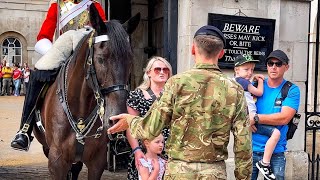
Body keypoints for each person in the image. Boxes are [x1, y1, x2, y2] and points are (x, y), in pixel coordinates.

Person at [108, 25, 252, 179]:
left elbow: (150, 128)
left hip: (180, 171)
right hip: (214, 172)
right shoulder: (234, 89)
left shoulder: (177, 83)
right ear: (221, 53)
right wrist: (243, 177)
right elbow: (243, 141)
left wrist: (130, 120)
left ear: (193, 50)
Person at [10, 0, 106, 151]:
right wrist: (56, 53)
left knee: (110, 79)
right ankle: (24, 131)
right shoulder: (57, 6)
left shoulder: (94, 5)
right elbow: (43, 36)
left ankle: (115, 134)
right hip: (63, 52)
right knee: (37, 76)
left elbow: (104, 33)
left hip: (89, 56)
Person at [250, 50, 300, 180]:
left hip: (276, 151)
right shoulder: (256, 86)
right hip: (251, 148)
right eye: (270, 63)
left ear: (286, 67)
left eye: (278, 64)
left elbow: (284, 118)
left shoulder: (291, 89)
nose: (273, 67)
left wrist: (255, 119)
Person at [126, 56, 172, 180]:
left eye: (165, 70)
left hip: (170, 151)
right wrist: (136, 150)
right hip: (145, 151)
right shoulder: (137, 95)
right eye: (157, 69)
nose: (162, 72)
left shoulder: (173, 95)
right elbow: (130, 126)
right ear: (148, 73)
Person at [234, 54, 279, 180]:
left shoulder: (236, 82)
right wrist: (260, 81)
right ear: (237, 69)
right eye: (246, 69)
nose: (250, 73)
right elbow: (259, 92)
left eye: (252, 70)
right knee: (275, 134)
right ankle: (265, 163)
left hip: (248, 119)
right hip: (250, 117)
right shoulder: (242, 82)